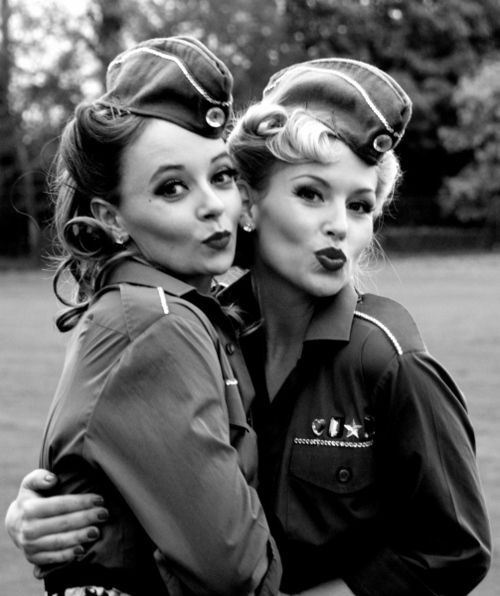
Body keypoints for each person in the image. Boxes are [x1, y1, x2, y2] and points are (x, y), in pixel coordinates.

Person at [6, 57, 491, 595]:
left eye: (360, 205)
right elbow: (163, 489)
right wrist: (45, 512)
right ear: (249, 203)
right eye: (310, 193)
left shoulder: (388, 358)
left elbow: (456, 548)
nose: (339, 225)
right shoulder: (201, 331)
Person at [7, 35, 282, 596]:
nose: (213, 205)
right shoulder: (154, 320)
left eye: (222, 176)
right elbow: (233, 570)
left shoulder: (177, 305)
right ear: (112, 217)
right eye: (173, 187)